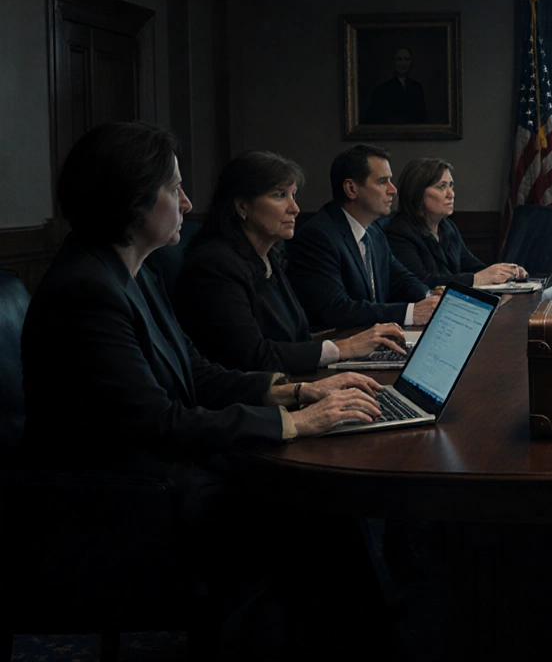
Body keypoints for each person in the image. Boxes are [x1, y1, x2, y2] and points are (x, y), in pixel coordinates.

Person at [21, 122, 391, 657]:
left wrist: (293, 393)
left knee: (321, 511)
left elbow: (197, 372)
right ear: (132, 199)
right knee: (315, 513)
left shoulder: (131, 272)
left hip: (158, 474)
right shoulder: (86, 289)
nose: (189, 201)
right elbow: (159, 422)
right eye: (174, 189)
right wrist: (295, 426)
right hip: (121, 501)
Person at [175, 152, 409, 374]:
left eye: (293, 195)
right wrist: (344, 348)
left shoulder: (271, 255)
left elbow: (296, 337)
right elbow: (252, 356)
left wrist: (352, 345)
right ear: (242, 206)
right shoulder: (214, 265)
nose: (295, 208)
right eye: (280, 195)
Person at [287, 144, 440, 330]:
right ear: (351, 189)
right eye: (382, 181)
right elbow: (336, 310)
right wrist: (410, 313)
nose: (393, 190)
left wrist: (429, 297)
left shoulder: (374, 231)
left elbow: (401, 279)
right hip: (339, 343)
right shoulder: (318, 237)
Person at [384, 157, 525, 287]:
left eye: (451, 186)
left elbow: (471, 266)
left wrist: (506, 273)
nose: (451, 194)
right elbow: (420, 282)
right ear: (417, 193)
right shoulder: (399, 231)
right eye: (441, 187)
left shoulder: (447, 227)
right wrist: (476, 279)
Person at [362, 46, 428, 124]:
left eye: (407, 59)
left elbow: (422, 119)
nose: (404, 63)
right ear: (393, 62)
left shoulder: (417, 87)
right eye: (399, 59)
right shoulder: (382, 89)